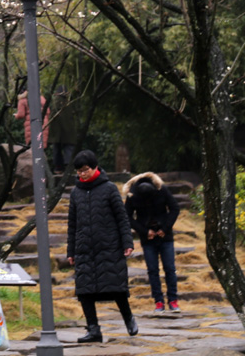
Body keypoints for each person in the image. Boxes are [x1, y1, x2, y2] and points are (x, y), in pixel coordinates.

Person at [67, 150, 138, 342]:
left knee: (116, 287)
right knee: (84, 291)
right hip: (84, 249)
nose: (82, 174)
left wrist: (127, 242)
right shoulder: (75, 193)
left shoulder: (109, 188)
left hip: (109, 246)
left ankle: (129, 318)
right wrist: (71, 250)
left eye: (85, 170)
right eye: (79, 171)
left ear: (95, 167)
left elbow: (122, 218)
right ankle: (93, 329)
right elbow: (72, 223)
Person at [124, 172, 181, 312]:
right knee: (152, 270)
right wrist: (144, 231)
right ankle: (158, 302)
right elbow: (127, 216)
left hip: (165, 236)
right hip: (147, 238)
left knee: (170, 268)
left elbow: (175, 208)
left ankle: (173, 300)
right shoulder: (132, 195)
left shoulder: (162, 189)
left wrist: (165, 228)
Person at [49, 88, 79, 172]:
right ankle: (69, 167)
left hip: (57, 131)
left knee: (57, 149)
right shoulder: (69, 101)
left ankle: (58, 168)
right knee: (68, 148)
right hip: (69, 130)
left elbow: (52, 115)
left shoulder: (56, 101)